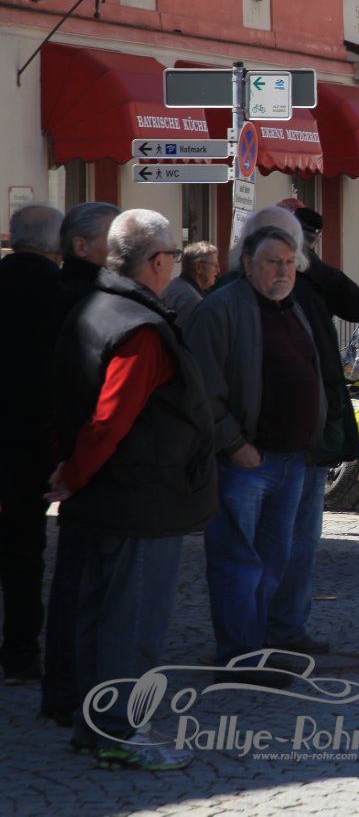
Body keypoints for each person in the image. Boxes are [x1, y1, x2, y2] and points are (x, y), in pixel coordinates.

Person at [46, 209, 215, 770]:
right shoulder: (138, 327)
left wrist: (71, 471)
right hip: (137, 498)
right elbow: (110, 418)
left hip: (109, 492)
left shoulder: (93, 307)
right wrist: (73, 474)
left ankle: (93, 727)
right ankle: (117, 731)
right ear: (159, 261)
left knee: (99, 614)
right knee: (131, 621)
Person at [187, 225, 324, 671]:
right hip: (244, 461)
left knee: (272, 562)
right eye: (272, 262)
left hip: (291, 458)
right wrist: (234, 445)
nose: (283, 271)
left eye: (289, 263)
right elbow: (201, 389)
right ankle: (239, 655)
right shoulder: (221, 309)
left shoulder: (291, 306)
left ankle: (257, 644)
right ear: (247, 264)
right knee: (236, 562)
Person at [262, 204, 359, 654]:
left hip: (301, 430)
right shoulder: (244, 293)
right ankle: (257, 634)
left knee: (292, 536)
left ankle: (278, 628)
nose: (284, 268)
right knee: (272, 538)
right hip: (265, 437)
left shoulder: (312, 279)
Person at [38, 201, 116, 726]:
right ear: (82, 246)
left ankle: (69, 686)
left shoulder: (91, 294)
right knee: (82, 578)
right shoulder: (81, 299)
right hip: (80, 454)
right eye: (113, 237)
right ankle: (73, 689)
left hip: (75, 451)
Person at [0, 204, 62, 691]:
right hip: (31, 440)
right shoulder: (59, 292)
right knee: (24, 551)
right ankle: (20, 655)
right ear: (56, 245)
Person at [160, 241, 219, 329]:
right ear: (198, 267)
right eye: (215, 265)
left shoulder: (172, 285)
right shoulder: (193, 301)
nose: (218, 270)